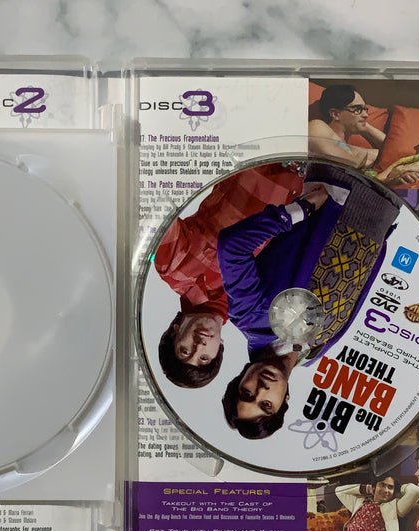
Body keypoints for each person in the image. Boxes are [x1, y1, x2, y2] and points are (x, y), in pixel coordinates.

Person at [218, 163, 401, 437]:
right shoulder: (314, 353)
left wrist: (300, 210)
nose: (261, 389)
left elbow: (231, 247)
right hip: (387, 203)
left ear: (240, 379)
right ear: (284, 402)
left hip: (342, 176)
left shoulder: (249, 316)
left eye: (247, 393)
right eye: (266, 404)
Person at [154, 163, 303, 388]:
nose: (199, 346)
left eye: (185, 351)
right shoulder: (254, 313)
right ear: (220, 347)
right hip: (318, 180)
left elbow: (151, 196)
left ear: (175, 332)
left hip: (270, 159)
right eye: (204, 357)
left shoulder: (174, 269)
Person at [308, 474, 419, 531]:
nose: (386, 490)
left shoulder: (394, 507)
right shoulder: (359, 502)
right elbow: (339, 491)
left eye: (390, 487)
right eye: (382, 485)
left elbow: (416, 491)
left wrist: (399, 488)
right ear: (374, 487)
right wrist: (367, 488)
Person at [308, 84, 386, 169]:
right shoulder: (317, 126)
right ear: (335, 114)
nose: (366, 115)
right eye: (357, 109)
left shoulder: (345, 148)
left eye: (364, 109)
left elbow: (391, 151)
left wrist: (365, 127)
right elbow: (352, 162)